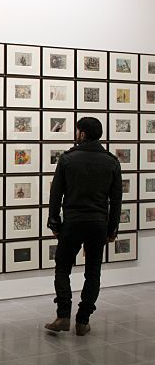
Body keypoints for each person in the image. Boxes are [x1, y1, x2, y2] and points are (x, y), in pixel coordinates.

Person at [45, 116, 122, 336]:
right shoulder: (111, 161)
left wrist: (54, 222)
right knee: (93, 272)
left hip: (73, 222)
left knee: (62, 268)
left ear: (82, 134)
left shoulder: (68, 159)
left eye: (77, 130)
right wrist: (112, 229)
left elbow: (56, 194)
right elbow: (116, 199)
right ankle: (83, 320)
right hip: (98, 223)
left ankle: (63, 315)